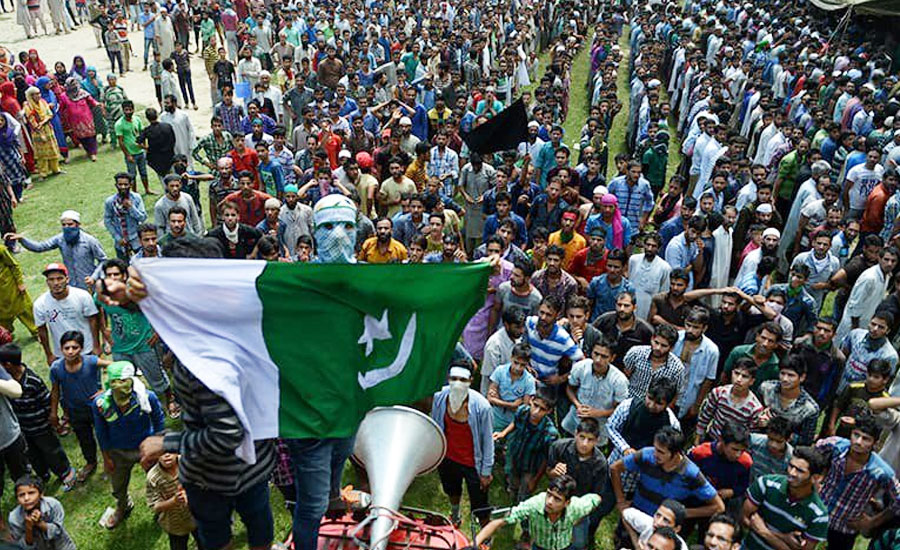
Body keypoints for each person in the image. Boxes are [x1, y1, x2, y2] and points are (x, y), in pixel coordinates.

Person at [92, 361, 165, 529]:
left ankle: (162, 505)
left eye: (123, 381)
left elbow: (159, 422)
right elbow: (101, 432)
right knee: (118, 484)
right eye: (114, 382)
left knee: (157, 479)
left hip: (145, 448)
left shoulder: (147, 398)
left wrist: (158, 448)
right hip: (118, 451)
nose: (119, 385)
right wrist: (106, 457)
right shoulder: (101, 405)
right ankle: (123, 505)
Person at [817, 415, 900, 548]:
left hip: (844, 528)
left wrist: (872, 522)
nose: (858, 442)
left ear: (875, 443)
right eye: (856, 435)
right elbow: (812, 455)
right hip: (816, 513)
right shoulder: (835, 445)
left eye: (866, 439)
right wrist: (816, 479)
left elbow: (898, 501)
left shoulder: (880, 471)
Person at [0, 344, 75, 490]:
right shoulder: (8, 385)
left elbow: (46, 400)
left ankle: (65, 472)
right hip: (24, 429)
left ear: (7, 365)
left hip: (41, 426)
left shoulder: (32, 380)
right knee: (33, 455)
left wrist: (53, 418)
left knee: (52, 450)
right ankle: (42, 475)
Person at [609, 426, 725, 518]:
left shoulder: (691, 474)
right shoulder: (646, 455)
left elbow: (719, 507)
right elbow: (615, 468)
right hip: (635, 513)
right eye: (655, 448)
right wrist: (620, 500)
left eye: (661, 452)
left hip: (661, 527)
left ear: (675, 454)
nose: (655, 454)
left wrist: (681, 513)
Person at [431, 366, 493, 526]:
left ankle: (485, 532)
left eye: (463, 380)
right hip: (447, 458)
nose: (458, 383)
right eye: (454, 379)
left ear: (471, 381)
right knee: (452, 491)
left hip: (473, 464)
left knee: (480, 505)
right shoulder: (439, 397)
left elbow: (487, 440)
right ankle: (456, 515)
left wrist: (486, 472)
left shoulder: (482, 407)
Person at [473, 474, 602, 549]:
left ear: (567, 503)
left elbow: (596, 499)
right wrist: (472, 545)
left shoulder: (577, 507)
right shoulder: (534, 505)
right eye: (549, 494)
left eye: (557, 499)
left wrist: (578, 519)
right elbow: (497, 522)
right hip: (539, 547)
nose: (549, 502)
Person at [50, 330, 110, 484]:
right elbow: (55, 391)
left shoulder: (91, 361)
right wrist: (54, 412)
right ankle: (91, 462)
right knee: (84, 439)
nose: (70, 351)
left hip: (96, 408)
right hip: (74, 411)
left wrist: (107, 389)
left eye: (75, 347)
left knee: (103, 435)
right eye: (66, 348)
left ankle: (109, 463)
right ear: (61, 349)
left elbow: (115, 366)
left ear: (81, 348)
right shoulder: (56, 368)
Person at [740, 446, 829, 550]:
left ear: (815, 478)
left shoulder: (818, 515)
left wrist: (764, 532)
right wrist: (784, 539)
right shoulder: (766, 483)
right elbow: (744, 517)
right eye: (791, 466)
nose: (792, 473)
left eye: (800, 471)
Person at [5, 210, 107, 291]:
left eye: (70, 224)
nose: (67, 227)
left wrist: (93, 277)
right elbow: (40, 247)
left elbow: (103, 260)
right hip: (71, 286)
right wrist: (22, 239)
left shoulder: (90, 241)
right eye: (64, 225)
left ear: (78, 224)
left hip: (89, 285)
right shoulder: (60, 239)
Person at [494, 387, 558, 504]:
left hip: (531, 467)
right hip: (515, 456)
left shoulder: (549, 433)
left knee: (524, 493)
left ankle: (521, 510)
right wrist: (504, 433)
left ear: (549, 411)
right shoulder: (523, 411)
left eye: (542, 409)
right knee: (512, 483)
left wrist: (535, 479)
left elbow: (546, 458)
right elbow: (515, 422)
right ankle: (512, 499)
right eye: (535, 405)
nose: (536, 412)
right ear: (531, 400)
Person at [562, 336, 628, 442]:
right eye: (596, 354)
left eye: (604, 356)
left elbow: (620, 409)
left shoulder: (619, 380)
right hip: (574, 422)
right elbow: (570, 388)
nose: (598, 360)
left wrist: (598, 413)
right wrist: (577, 405)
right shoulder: (581, 367)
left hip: (599, 430)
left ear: (612, 358)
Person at [33, 263, 101, 365]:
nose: (56, 283)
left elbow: (93, 319)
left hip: (86, 349)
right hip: (61, 354)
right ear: (47, 282)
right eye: (51, 280)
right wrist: (49, 354)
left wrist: (96, 345)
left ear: (67, 279)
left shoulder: (82, 296)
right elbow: (42, 330)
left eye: (60, 278)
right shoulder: (40, 304)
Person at [689, 423, 753, 515]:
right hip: (694, 498)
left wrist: (732, 492)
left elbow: (743, 485)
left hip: (721, 504)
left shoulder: (745, 462)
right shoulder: (701, 453)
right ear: (722, 441)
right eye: (734, 449)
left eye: (742, 451)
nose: (738, 455)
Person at [757, 355, 820, 446]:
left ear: (802, 377)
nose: (785, 379)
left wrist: (777, 429)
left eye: (791, 375)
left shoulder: (809, 409)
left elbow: (806, 440)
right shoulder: (766, 389)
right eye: (782, 373)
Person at [696, 358, 763, 443]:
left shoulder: (755, 408)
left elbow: (751, 435)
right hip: (712, 439)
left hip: (733, 447)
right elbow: (705, 416)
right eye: (736, 373)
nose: (739, 379)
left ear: (752, 381)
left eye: (744, 376)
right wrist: (698, 439)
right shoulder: (718, 393)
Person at [146, 452, 199, 550]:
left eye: (170, 450)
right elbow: (155, 507)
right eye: (161, 451)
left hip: (196, 518)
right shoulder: (153, 477)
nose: (166, 455)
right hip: (175, 524)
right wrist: (173, 501)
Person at [7, 475, 76, 550]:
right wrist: (28, 528)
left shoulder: (53, 505)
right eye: (21, 495)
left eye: (31, 493)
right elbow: (24, 546)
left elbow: (58, 531)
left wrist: (39, 523)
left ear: (41, 494)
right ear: (17, 499)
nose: (26, 498)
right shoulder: (14, 518)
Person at [623, 323, 684, 400]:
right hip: (630, 400)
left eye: (663, 345)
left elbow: (675, 395)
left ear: (671, 347)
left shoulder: (677, 368)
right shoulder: (636, 353)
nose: (658, 348)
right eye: (656, 342)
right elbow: (625, 377)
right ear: (652, 339)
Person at [487, 341, 536, 431]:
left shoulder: (529, 380)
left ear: (527, 363)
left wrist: (499, 401)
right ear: (511, 358)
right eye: (516, 362)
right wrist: (512, 405)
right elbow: (490, 398)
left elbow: (523, 409)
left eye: (522, 365)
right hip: (495, 418)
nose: (518, 368)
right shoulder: (500, 371)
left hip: (514, 423)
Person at [103, 173, 148, 260]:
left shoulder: (136, 198)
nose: (123, 187)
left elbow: (142, 217)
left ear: (130, 185)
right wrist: (117, 237)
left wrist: (131, 208)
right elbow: (107, 220)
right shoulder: (110, 202)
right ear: (116, 185)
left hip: (136, 239)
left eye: (125, 184)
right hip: (120, 242)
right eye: (120, 184)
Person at [748, 415, 793, 483]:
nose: (773, 445)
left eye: (779, 442)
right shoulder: (754, 441)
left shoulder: (791, 458)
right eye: (771, 439)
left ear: (788, 439)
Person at [138, 107, 177, 186]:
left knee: (162, 177)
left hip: (156, 158)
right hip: (169, 155)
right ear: (157, 115)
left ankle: (166, 190)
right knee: (172, 175)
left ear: (147, 118)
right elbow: (173, 140)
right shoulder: (167, 126)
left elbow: (139, 142)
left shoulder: (147, 130)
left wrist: (147, 148)